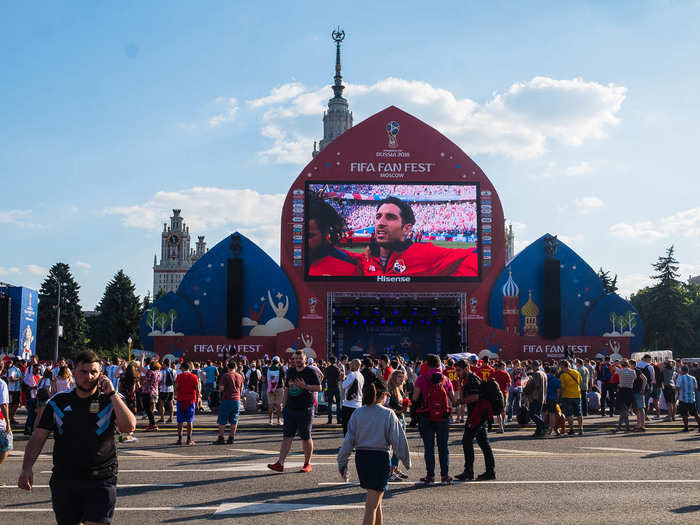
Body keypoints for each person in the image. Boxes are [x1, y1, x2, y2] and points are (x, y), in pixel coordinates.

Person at [18, 350, 136, 525]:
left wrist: (112, 394)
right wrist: (27, 468)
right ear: (73, 371)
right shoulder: (58, 402)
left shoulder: (110, 401)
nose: (89, 377)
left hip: (101, 478)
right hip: (65, 479)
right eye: (83, 372)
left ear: (100, 373)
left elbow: (129, 427)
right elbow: (38, 436)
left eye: (94, 372)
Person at [337, 376, 410, 525]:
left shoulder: (358, 413)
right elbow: (398, 440)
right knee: (371, 507)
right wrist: (406, 461)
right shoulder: (388, 414)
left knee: (377, 504)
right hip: (379, 459)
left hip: (362, 459)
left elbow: (348, 441)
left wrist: (342, 462)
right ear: (384, 395)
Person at [357, 197, 478, 277]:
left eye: (390, 217)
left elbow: (476, 254)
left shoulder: (426, 253)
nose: (380, 222)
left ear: (406, 228)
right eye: (378, 216)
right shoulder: (363, 259)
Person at [267, 350, 321, 473]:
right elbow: (287, 389)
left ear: (305, 359)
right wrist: (284, 405)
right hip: (290, 409)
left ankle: (307, 463)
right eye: (295, 359)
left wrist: (305, 386)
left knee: (306, 437)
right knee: (287, 437)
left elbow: (319, 387)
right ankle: (280, 463)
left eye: (299, 359)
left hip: (305, 409)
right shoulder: (290, 371)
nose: (297, 361)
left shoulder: (310, 371)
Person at [413, 354, 455, 485]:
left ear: (428, 365)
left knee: (429, 448)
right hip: (442, 417)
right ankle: (444, 476)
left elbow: (415, 398)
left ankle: (430, 476)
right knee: (443, 447)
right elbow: (453, 399)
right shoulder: (446, 379)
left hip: (426, 416)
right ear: (439, 365)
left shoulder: (421, 378)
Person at [455, 359, 496, 481]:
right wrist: (459, 384)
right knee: (484, 443)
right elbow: (464, 397)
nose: (457, 373)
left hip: (477, 415)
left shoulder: (473, 379)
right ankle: (489, 471)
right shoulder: (466, 380)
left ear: (466, 369)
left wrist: (461, 401)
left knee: (466, 441)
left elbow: (475, 397)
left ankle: (469, 472)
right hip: (477, 415)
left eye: (459, 370)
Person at [307, 192, 362, 276]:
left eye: (308, 236)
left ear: (325, 231)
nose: (300, 242)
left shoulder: (348, 268)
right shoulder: (289, 265)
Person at [386, 369, 409, 481]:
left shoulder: (400, 389)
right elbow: (385, 405)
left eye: (402, 377)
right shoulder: (390, 389)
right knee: (397, 447)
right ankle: (391, 472)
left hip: (401, 419)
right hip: (394, 420)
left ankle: (395, 469)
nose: (401, 379)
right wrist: (395, 411)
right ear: (394, 377)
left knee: (399, 447)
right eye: (399, 377)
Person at [213, 360, 244, 444]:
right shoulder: (240, 376)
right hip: (237, 400)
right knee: (234, 420)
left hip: (227, 399)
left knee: (222, 420)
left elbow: (221, 388)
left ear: (228, 368)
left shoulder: (225, 376)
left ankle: (221, 438)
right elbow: (241, 389)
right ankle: (231, 437)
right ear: (236, 368)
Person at [174, 361, 200, 446]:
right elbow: (197, 389)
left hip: (181, 400)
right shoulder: (194, 376)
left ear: (183, 368)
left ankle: (179, 439)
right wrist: (197, 398)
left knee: (180, 420)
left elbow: (176, 388)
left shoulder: (179, 376)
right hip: (190, 400)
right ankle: (189, 439)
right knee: (190, 420)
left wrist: (175, 395)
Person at [523, 360, 547, 437]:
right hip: (542, 396)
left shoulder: (536, 374)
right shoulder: (544, 373)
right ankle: (539, 431)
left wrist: (526, 390)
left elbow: (536, 385)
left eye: (532, 366)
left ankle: (543, 425)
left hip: (535, 397)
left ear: (534, 366)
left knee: (532, 414)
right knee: (537, 414)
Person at [558, 361, 583, 436]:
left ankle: (571, 429)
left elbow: (563, 387)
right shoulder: (576, 372)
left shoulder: (563, 375)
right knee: (579, 413)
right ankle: (581, 428)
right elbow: (580, 381)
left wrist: (559, 396)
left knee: (569, 413)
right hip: (577, 394)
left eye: (561, 366)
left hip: (567, 395)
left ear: (563, 366)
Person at [341, 359, 364, 435]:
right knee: (355, 427)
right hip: (358, 403)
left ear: (353, 365)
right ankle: (355, 444)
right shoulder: (361, 376)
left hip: (349, 404)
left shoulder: (352, 374)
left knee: (346, 426)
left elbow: (344, 385)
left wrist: (343, 379)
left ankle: (347, 444)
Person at [117, 362, 139, 443]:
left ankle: (122, 435)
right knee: (131, 415)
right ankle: (129, 435)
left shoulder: (123, 375)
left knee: (123, 414)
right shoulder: (135, 376)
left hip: (123, 396)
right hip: (131, 397)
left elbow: (119, 386)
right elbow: (135, 387)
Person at [675, 365, 700, 432]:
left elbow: (677, 387)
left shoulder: (680, 378)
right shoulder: (693, 378)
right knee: (695, 413)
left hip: (683, 398)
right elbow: (695, 388)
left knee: (684, 414)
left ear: (682, 371)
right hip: (692, 398)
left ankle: (686, 427)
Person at [0, 360, 13, 484]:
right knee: (6, 447)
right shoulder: (1, 384)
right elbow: (3, 404)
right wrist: (8, 422)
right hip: (0, 423)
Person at [491, 361, 511, 433]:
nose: (505, 368)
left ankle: (500, 427)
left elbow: (491, 383)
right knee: (503, 410)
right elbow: (509, 384)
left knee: (498, 411)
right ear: (502, 366)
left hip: (496, 394)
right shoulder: (506, 373)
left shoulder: (493, 373)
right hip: (504, 393)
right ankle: (503, 424)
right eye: (504, 367)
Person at [266, 356, 286, 426]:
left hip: (270, 388)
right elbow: (284, 378)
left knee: (270, 405)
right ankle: (279, 420)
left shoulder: (268, 369)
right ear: (278, 362)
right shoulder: (281, 369)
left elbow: (264, 379)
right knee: (279, 405)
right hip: (279, 388)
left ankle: (270, 420)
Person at [324, 356, 343, 425]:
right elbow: (339, 378)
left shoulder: (327, 368)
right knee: (338, 404)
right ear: (335, 361)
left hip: (329, 386)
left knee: (329, 404)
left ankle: (329, 420)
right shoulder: (337, 368)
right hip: (336, 386)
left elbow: (325, 377)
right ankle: (338, 419)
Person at [158, 359, 175, 424]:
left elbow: (160, 381)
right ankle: (171, 418)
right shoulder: (174, 371)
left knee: (161, 404)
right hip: (171, 389)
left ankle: (162, 418)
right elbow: (174, 380)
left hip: (163, 389)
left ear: (164, 364)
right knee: (171, 404)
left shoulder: (162, 371)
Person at [6, 359, 22, 426]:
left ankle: (11, 418)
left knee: (16, 405)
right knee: (11, 405)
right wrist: (19, 379)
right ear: (17, 362)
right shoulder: (12, 369)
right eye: (20, 361)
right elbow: (11, 379)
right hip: (12, 390)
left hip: (17, 390)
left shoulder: (18, 369)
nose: (21, 363)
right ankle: (9, 419)